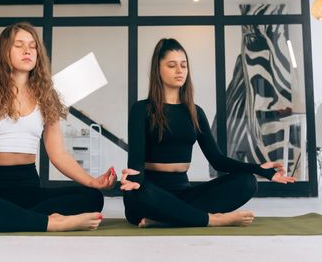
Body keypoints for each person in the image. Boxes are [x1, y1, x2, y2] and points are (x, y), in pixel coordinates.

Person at [0, 22, 117, 232]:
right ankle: (51, 223)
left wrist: (93, 182)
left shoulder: (46, 97)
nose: (28, 50)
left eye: (32, 45)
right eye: (19, 45)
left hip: (28, 189)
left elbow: (59, 154)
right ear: (4, 52)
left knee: (91, 198)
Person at [121, 38, 295, 228]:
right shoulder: (141, 110)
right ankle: (213, 219)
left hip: (184, 194)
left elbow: (217, 159)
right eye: (172, 65)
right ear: (158, 69)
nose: (180, 71)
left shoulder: (195, 112)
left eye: (183, 65)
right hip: (152, 192)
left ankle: (167, 218)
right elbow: (136, 164)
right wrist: (134, 182)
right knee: (138, 192)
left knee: (246, 182)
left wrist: (259, 169)